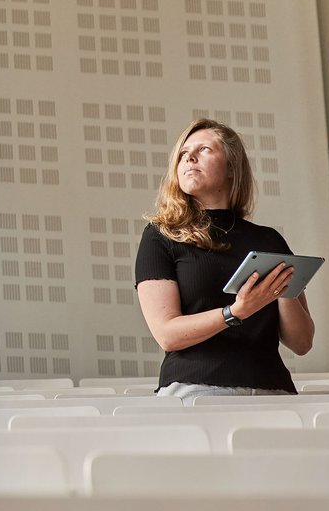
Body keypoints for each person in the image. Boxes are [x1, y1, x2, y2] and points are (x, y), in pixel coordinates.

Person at [135, 118, 315, 401]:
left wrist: (281, 290)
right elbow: (167, 334)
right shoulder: (161, 236)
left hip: (274, 391)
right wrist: (236, 312)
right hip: (196, 390)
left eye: (204, 149)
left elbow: (302, 342)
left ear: (232, 168)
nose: (189, 157)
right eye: (183, 153)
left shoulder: (270, 240)